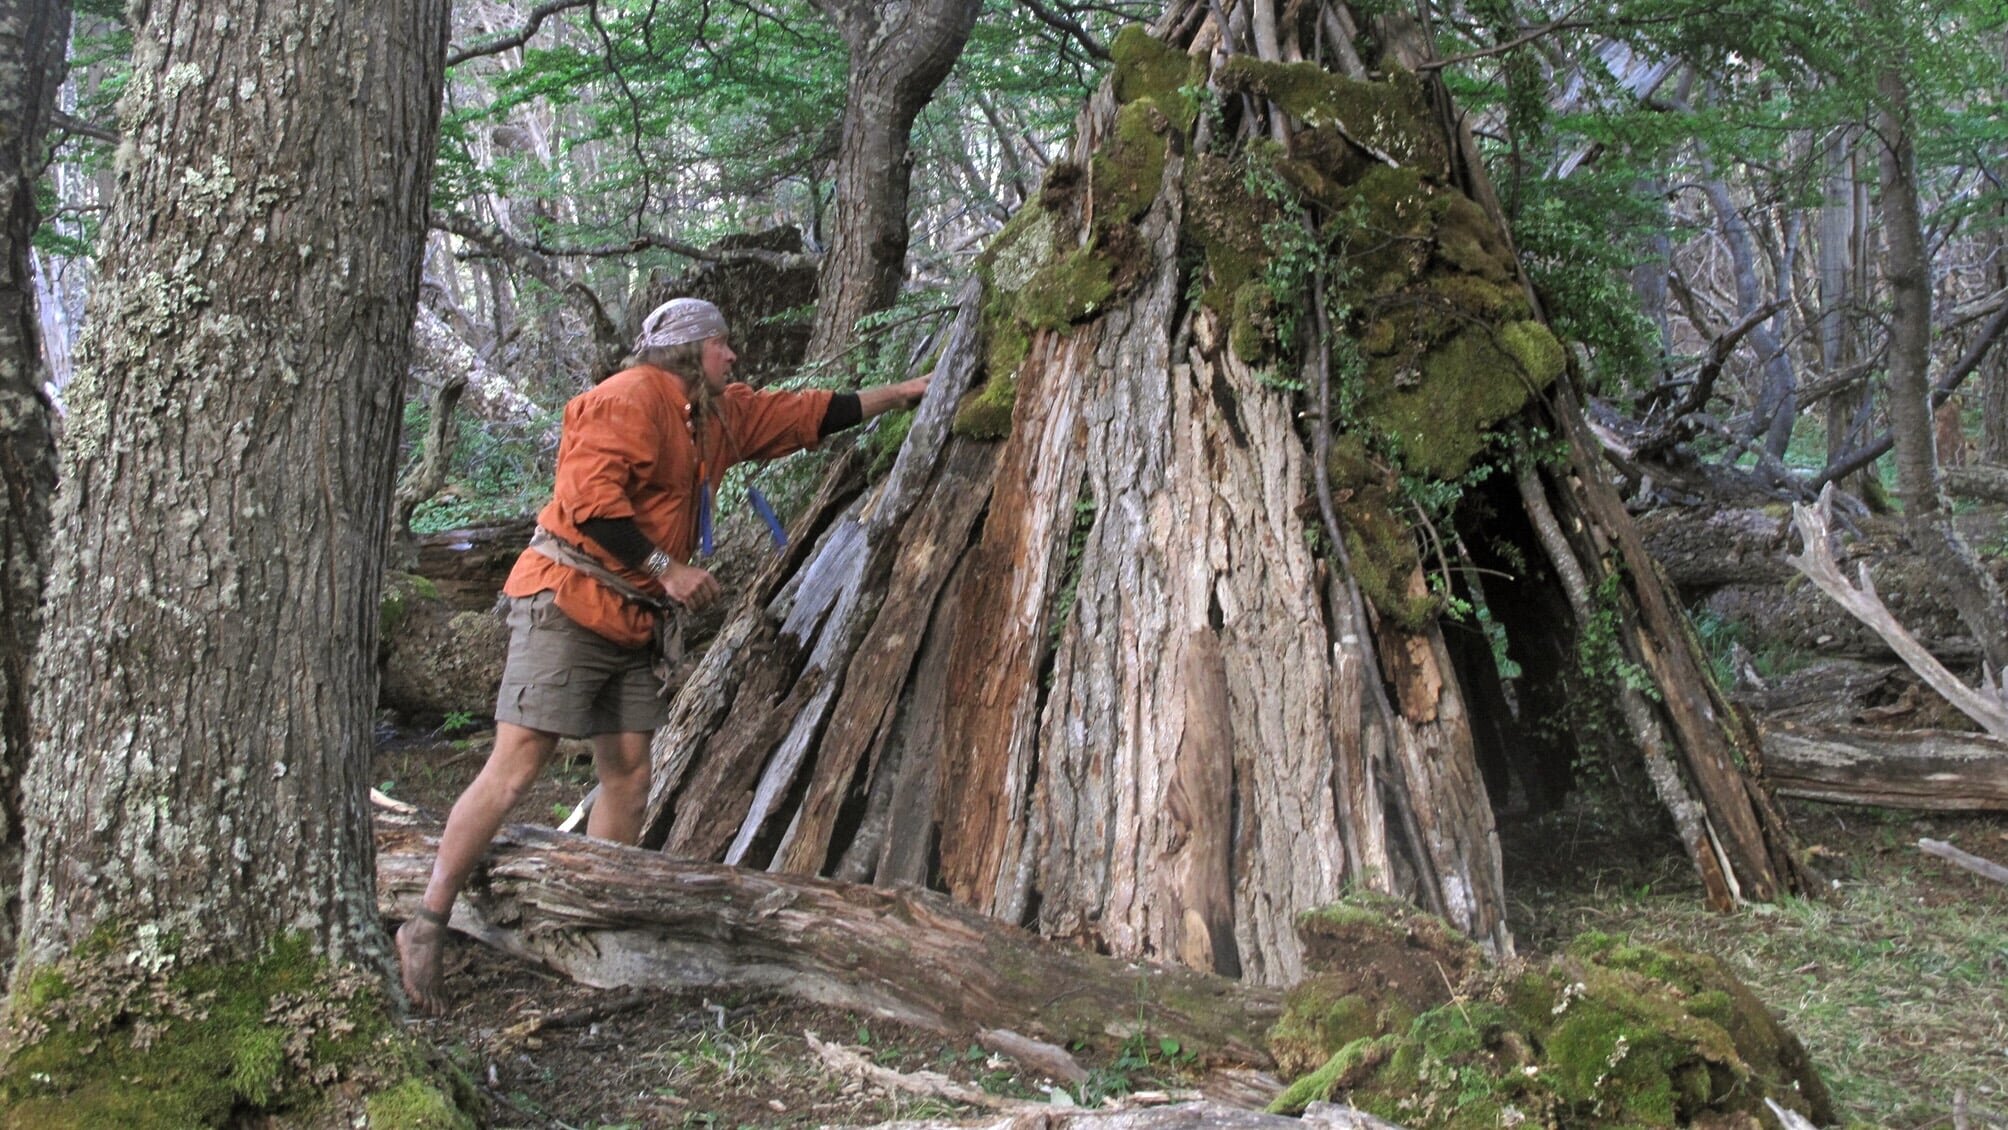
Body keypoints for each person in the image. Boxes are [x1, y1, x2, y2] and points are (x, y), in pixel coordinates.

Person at [396, 297, 930, 1015]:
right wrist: (667, 568)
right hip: (567, 601)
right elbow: (590, 505)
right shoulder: (624, 401)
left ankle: (598, 924)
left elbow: (800, 414)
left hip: (631, 621)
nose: (732, 357)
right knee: (520, 759)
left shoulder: (711, 416)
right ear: (687, 352)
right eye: (721, 346)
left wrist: (901, 393)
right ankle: (427, 920)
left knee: (628, 774)